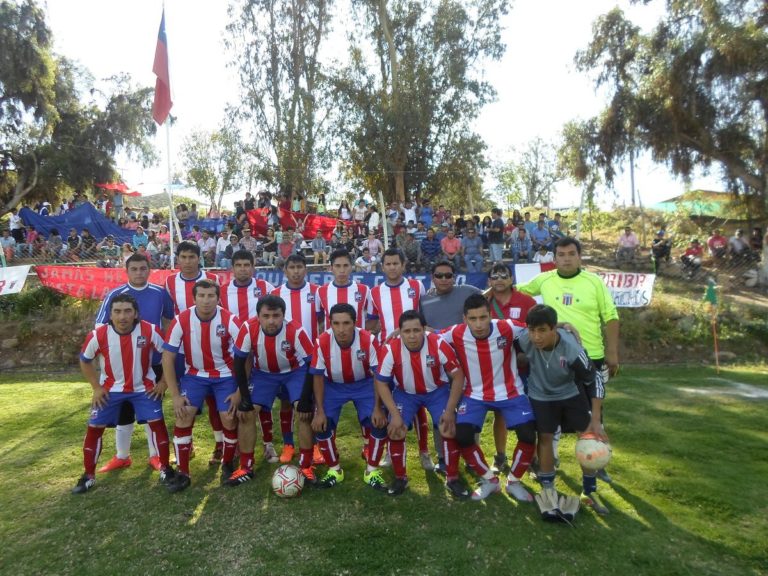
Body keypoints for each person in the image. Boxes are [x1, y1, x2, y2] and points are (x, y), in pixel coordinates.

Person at [517, 236, 619, 483]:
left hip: (590, 357)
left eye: (571, 253)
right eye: (561, 255)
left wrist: (612, 352)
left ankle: (596, 460)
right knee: (551, 417)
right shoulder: (545, 279)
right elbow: (514, 291)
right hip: (552, 357)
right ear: (554, 258)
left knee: (593, 414)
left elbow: (611, 316)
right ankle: (549, 462)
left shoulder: (594, 282)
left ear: (579, 256)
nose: (566, 258)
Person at [72, 294, 174, 494]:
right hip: (109, 391)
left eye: (128, 311)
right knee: (94, 427)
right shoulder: (98, 335)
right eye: (117, 311)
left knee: (157, 425)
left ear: (136, 314)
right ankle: (88, 476)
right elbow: (85, 360)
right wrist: (96, 387)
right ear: (110, 314)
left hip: (143, 389)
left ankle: (166, 468)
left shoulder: (150, 330)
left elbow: (168, 355)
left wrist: (163, 382)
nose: (122, 316)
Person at [440, 294, 537, 501]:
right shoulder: (456, 332)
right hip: (474, 394)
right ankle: (490, 481)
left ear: (490, 315)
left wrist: (564, 325)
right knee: (463, 436)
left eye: (483, 317)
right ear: (464, 319)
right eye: (472, 319)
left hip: (511, 391)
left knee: (528, 434)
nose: (479, 324)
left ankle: (513, 482)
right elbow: (429, 337)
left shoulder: (508, 327)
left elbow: (537, 325)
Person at [515, 304, 609, 516]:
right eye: (532, 330)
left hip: (570, 394)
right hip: (540, 395)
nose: (536, 337)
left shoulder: (572, 349)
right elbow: (504, 331)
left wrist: (595, 419)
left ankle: (589, 491)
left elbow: (594, 379)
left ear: (553, 330)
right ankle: (548, 490)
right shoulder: (523, 338)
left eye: (542, 331)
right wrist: (562, 323)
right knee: (545, 437)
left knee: (586, 439)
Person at [93, 253, 175, 473]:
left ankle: (155, 456)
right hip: (122, 365)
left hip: (152, 362)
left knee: (152, 410)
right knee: (124, 411)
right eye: (134, 269)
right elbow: (100, 328)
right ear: (126, 271)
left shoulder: (160, 293)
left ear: (150, 270)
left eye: (143, 268)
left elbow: (171, 319)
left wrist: (166, 343)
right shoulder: (115, 295)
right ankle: (122, 456)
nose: (139, 273)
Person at [373, 311, 465, 496]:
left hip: (437, 392)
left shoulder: (438, 343)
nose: (412, 335)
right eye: (407, 331)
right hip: (405, 394)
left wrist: (449, 411)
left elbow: (458, 375)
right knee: (396, 430)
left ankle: (453, 478)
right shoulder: (391, 348)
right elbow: (381, 382)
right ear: (400, 332)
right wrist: (395, 415)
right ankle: (401, 478)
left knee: (448, 426)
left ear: (424, 330)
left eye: (417, 330)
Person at [228, 295, 317, 485]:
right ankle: (246, 467)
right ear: (258, 316)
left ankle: (307, 466)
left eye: (276, 316)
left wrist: (306, 399)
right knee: (247, 414)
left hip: (295, 372)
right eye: (266, 316)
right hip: (263, 374)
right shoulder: (248, 328)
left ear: (283, 315)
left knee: (304, 413)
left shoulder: (295, 330)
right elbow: (239, 363)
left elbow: (312, 364)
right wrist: (244, 397)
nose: (271, 321)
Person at [162, 280, 241, 492]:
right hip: (195, 376)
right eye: (201, 296)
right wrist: (176, 395)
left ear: (218, 298)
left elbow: (246, 355)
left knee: (228, 417)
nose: (206, 300)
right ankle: (183, 472)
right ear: (194, 298)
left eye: (211, 296)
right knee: (184, 413)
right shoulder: (181, 320)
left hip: (225, 375)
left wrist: (239, 390)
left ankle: (227, 463)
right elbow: (167, 358)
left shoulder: (229, 319)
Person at [309, 303, 389, 491]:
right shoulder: (322, 341)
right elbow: (318, 377)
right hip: (333, 385)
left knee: (378, 421)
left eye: (346, 323)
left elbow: (378, 374)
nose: (341, 329)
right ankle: (335, 470)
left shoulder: (368, 340)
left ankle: (372, 471)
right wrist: (319, 411)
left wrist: (378, 407)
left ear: (355, 323)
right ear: (330, 324)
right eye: (336, 324)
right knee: (321, 424)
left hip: (364, 384)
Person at [164, 241, 224, 464]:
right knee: (183, 400)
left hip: (209, 347)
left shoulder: (213, 280)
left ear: (199, 258)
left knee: (213, 399)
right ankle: (185, 446)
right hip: (182, 351)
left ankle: (220, 444)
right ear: (177, 258)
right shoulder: (170, 282)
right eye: (183, 257)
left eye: (192, 257)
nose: (187, 262)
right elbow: (171, 317)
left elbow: (220, 311)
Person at [318, 250, 369, 331]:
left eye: (345, 265)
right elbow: (319, 319)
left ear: (351, 268)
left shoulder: (364, 290)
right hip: (331, 343)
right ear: (331, 268)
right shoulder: (321, 291)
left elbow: (373, 318)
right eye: (337, 266)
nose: (342, 270)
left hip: (358, 342)